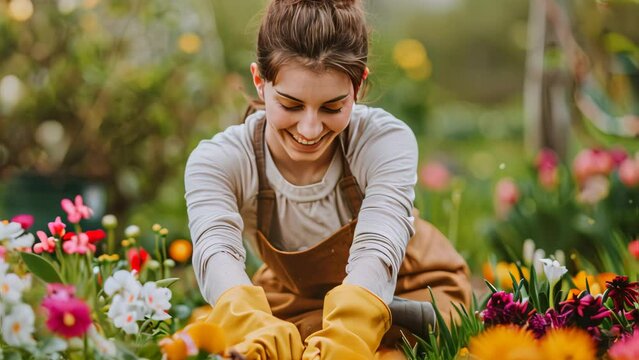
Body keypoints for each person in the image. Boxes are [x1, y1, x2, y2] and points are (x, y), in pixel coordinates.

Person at [185, 0, 471, 359]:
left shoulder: (383, 141)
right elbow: (217, 254)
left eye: (332, 108)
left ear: (359, 87)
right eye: (290, 105)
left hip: (408, 290)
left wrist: (346, 335)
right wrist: (252, 326)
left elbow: (378, 248)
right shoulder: (220, 161)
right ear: (260, 81)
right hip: (298, 299)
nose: (309, 128)